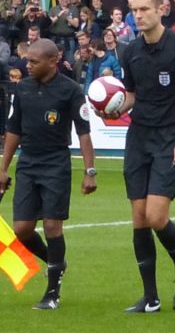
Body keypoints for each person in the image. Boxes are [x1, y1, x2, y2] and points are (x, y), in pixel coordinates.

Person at [113, 0, 175, 313]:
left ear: (161, 9)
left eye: (145, 9)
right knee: (139, 218)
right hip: (138, 137)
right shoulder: (130, 51)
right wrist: (111, 107)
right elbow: (130, 95)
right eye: (134, 9)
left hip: (170, 138)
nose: (139, 15)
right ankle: (150, 297)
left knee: (156, 216)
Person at [0, 39, 96, 310]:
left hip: (56, 163)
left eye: (33, 61)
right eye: (27, 60)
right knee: (22, 229)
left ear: (53, 61)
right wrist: (3, 168)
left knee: (53, 226)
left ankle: (52, 292)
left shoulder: (70, 90)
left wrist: (90, 171)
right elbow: (13, 129)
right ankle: (57, 263)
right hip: (28, 162)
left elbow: (84, 133)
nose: (27, 65)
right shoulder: (24, 89)